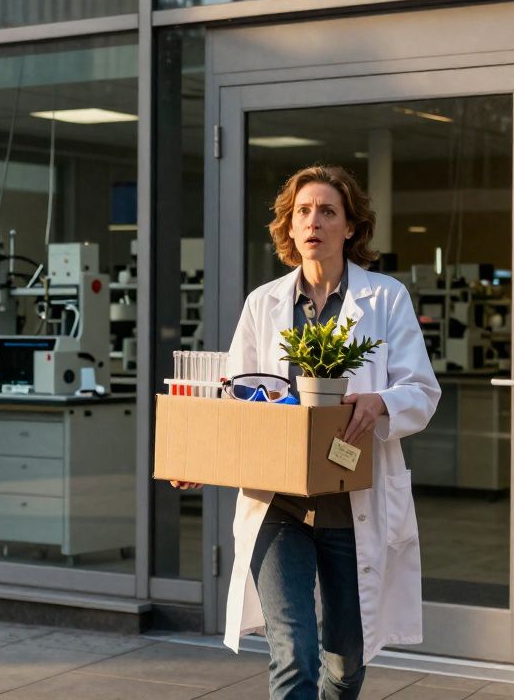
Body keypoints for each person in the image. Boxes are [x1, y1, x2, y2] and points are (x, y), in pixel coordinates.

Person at [171, 165, 440, 699]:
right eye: (302, 212)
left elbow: (423, 391)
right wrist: (199, 462)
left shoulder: (385, 299)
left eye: (327, 211)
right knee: (293, 655)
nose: (313, 221)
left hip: (352, 502)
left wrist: (382, 400)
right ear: (289, 229)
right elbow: (236, 398)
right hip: (279, 504)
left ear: (350, 227)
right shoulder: (263, 303)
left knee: (344, 663)